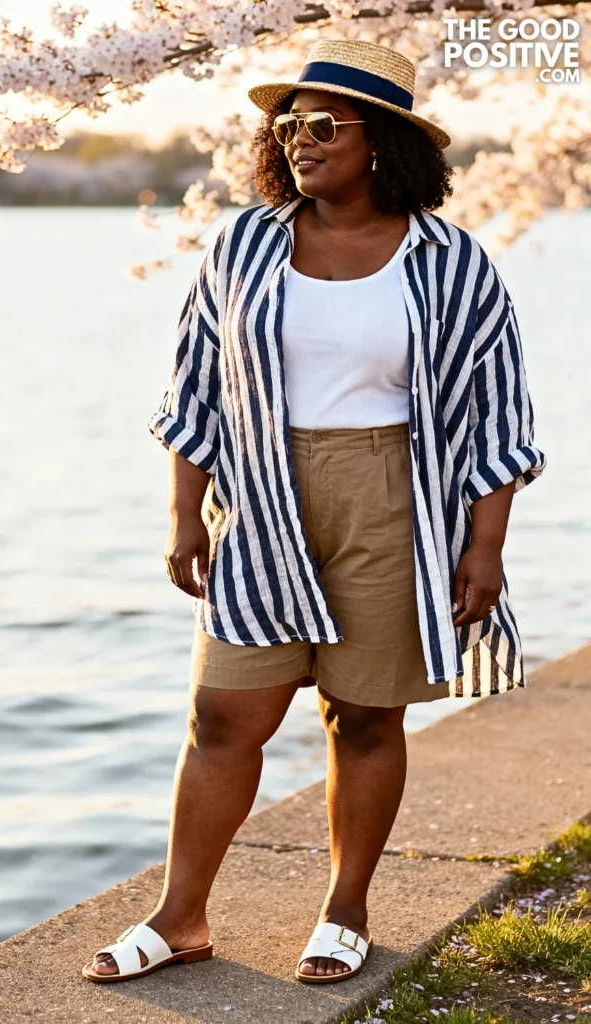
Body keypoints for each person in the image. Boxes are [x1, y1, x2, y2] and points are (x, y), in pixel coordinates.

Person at [82, 37, 546, 986]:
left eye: (323, 124)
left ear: (380, 142)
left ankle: (344, 910)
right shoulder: (245, 244)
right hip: (258, 495)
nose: (300, 139)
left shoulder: (450, 263)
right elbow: (198, 385)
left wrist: (483, 546)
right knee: (223, 714)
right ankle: (182, 917)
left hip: (394, 497)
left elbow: (499, 409)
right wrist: (183, 511)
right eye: (287, 124)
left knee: (364, 716)